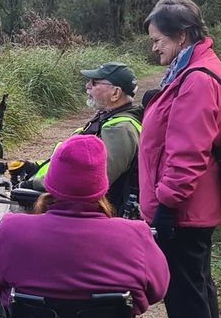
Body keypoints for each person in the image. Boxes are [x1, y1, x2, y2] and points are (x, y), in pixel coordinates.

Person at [138, 0, 221, 318]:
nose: (154, 47)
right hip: (193, 204)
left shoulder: (197, 79)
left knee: (184, 293)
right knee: (198, 286)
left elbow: (186, 152)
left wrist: (166, 206)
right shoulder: (191, 70)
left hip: (185, 208)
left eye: (159, 40)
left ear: (181, 36)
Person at [0, 136, 169, 312]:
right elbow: (158, 290)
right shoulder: (136, 235)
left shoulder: (12, 230)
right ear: (101, 186)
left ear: (51, 182)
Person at [27, 61, 142, 213]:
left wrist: (38, 182)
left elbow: (93, 179)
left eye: (94, 82)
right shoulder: (108, 118)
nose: (87, 86)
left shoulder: (120, 128)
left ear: (115, 93)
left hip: (94, 214)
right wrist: (34, 166)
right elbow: (75, 162)